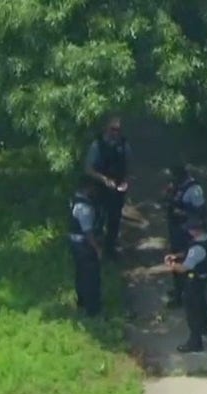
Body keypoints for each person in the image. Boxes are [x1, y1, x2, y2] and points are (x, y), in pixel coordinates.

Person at [83, 116, 131, 259]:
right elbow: (88, 169)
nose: (116, 132)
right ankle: (95, 251)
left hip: (117, 189)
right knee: (98, 219)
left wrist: (126, 182)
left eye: (118, 129)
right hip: (99, 189)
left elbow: (128, 167)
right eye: (113, 129)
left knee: (114, 220)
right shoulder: (97, 145)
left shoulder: (124, 145)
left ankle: (110, 251)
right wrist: (104, 179)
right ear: (106, 128)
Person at [165, 220, 207, 353]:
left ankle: (195, 342)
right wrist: (176, 256)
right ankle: (204, 328)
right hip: (204, 277)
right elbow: (189, 253)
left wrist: (171, 264)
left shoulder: (197, 249)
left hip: (194, 280)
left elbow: (183, 268)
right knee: (201, 303)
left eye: (190, 229)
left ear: (197, 230)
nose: (188, 231)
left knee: (192, 310)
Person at [162, 163, 207, 308]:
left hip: (188, 231)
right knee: (176, 257)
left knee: (184, 261)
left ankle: (182, 295)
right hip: (176, 229)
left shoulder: (194, 190)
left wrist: (183, 214)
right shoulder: (177, 186)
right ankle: (178, 290)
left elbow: (200, 212)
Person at [68, 177, 102, 317]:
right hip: (84, 245)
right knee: (91, 277)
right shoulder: (85, 208)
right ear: (87, 189)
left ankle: (81, 301)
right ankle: (92, 309)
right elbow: (88, 233)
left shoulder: (74, 200)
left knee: (81, 273)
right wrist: (97, 249)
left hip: (75, 243)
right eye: (93, 189)